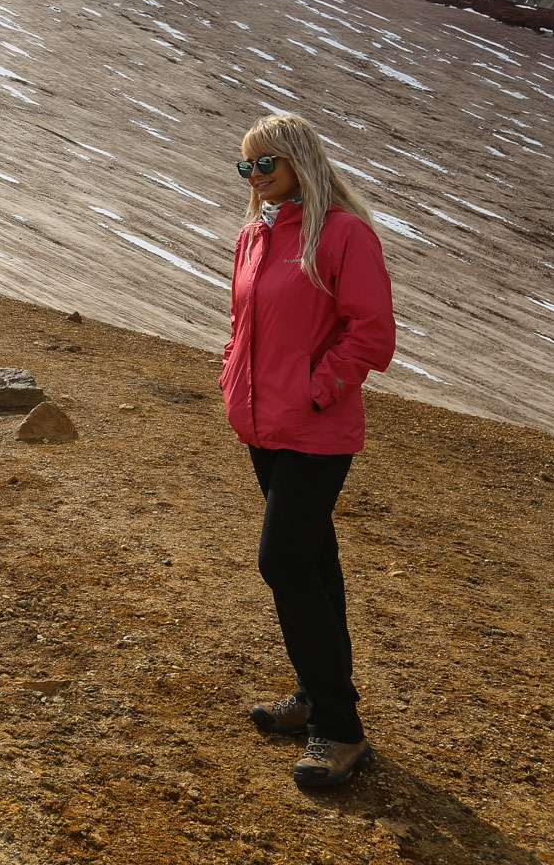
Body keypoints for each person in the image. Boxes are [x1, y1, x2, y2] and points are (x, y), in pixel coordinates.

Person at [218, 111, 396, 787]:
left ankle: (340, 732)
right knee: (314, 565)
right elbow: (244, 324)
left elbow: (372, 335)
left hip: (316, 431)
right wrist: (233, 371)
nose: (256, 178)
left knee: (284, 563)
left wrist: (317, 391)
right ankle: (317, 695)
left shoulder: (344, 235)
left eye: (267, 163)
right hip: (264, 426)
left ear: (300, 161)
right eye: (246, 166)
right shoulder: (253, 237)